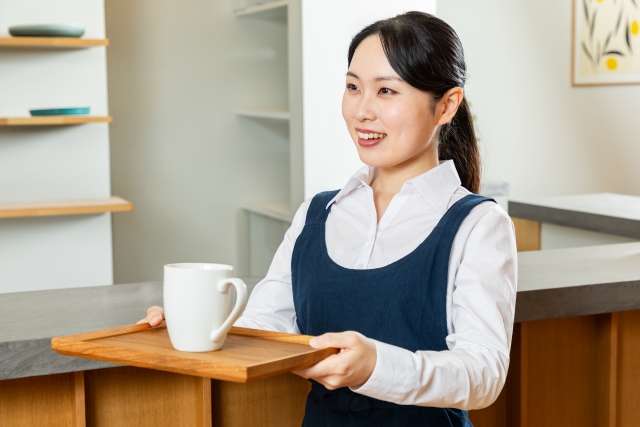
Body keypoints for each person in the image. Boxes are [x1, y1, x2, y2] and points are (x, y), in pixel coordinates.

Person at [140, 11, 517, 427]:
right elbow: (265, 327)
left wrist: (375, 366)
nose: (362, 111)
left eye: (387, 91)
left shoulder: (479, 225)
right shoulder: (317, 213)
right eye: (353, 87)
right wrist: (192, 326)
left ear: (447, 105)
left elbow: (484, 374)